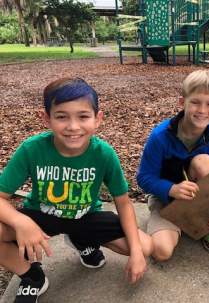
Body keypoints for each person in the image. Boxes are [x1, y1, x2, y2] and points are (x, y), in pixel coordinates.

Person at [0, 78, 153, 303]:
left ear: (97, 119)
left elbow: (123, 203)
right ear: (46, 119)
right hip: (42, 216)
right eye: (62, 116)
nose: (73, 127)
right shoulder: (31, 150)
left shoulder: (103, 154)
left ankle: (82, 240)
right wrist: (20, 222)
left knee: (146, 246)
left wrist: (138, 253)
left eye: (83, 116)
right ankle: (32, 277)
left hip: (86, 216)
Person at [137, 69, 209, 261]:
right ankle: (166, 220)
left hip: (198, 199)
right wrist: (171, 189)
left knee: (204, 162)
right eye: (195, 102)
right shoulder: (160, 136)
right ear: (182, 102)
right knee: (161, 252)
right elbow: (144, 178)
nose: (202, 110)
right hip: (166, 198)